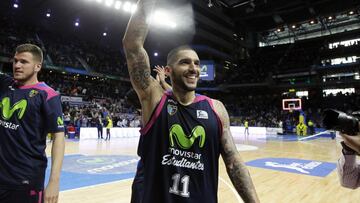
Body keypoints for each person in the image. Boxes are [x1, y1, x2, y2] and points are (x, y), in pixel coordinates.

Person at [123, 1, 259, 202]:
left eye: (196, 63)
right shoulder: (155, 100)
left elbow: (233, 162)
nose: (194, 68)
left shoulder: (216, 109)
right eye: (185, 62)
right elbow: (133, 46)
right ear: (168, 71)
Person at [0, 44, 65, 203]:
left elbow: (59, 137)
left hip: (26, 181)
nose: (17, 65)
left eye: (23, 62)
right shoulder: (5, 85)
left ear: (37, 66)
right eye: (15, 61)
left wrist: (54, 182)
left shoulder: (48, 95)